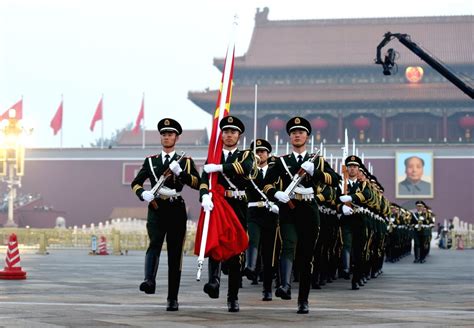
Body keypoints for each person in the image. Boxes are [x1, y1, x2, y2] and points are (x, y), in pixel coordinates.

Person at [263, 116, 338, 314]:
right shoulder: (282, 162)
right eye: (294, 132)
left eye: (301, 132)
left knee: (306, 255)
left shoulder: (316, 160)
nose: (297, 135)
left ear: (307, 136)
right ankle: (285, 285)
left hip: (308, 209)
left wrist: (317, 173)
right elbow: (267, 183)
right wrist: (274, 193)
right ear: (289, 137)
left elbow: (336, 180)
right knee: (287, 245)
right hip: (289, 207)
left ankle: (303, 300)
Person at [131, 118, 200, 311]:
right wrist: (142, 193)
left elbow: (198, 183)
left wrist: (182, 174)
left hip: (176, 208)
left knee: (175, 253)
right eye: (164, 134)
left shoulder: (185, 162)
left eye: (170, 134)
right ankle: (149, 281)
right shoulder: (151, 161)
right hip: (156, 207)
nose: (166, 137)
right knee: (154, 244)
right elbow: (135, 183)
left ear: (176, 137)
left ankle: (172, 297)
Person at [199, 115, 256, 313]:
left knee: (235, 251)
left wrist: (220, 167)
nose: (229, 135)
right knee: (215, 243)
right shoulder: (213, 155)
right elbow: (204, 179)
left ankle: (233, 297)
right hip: (218, 204)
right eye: (226, 132)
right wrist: (204, 196)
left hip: (238, 205)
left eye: (233, 132)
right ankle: (213, 282)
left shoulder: (246, 154)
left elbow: (245, 168)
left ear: (239, 136)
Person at [243, 138, 279, 301]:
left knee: (269, 251)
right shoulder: (248, 171)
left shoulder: (274, 172)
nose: (260, 154)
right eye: (256, 152)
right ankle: (250, 267)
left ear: (268, 154)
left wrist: (277, 204)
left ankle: (267, 289)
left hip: (271, 214)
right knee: (252, 238)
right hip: (253, 211)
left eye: (262, 151)